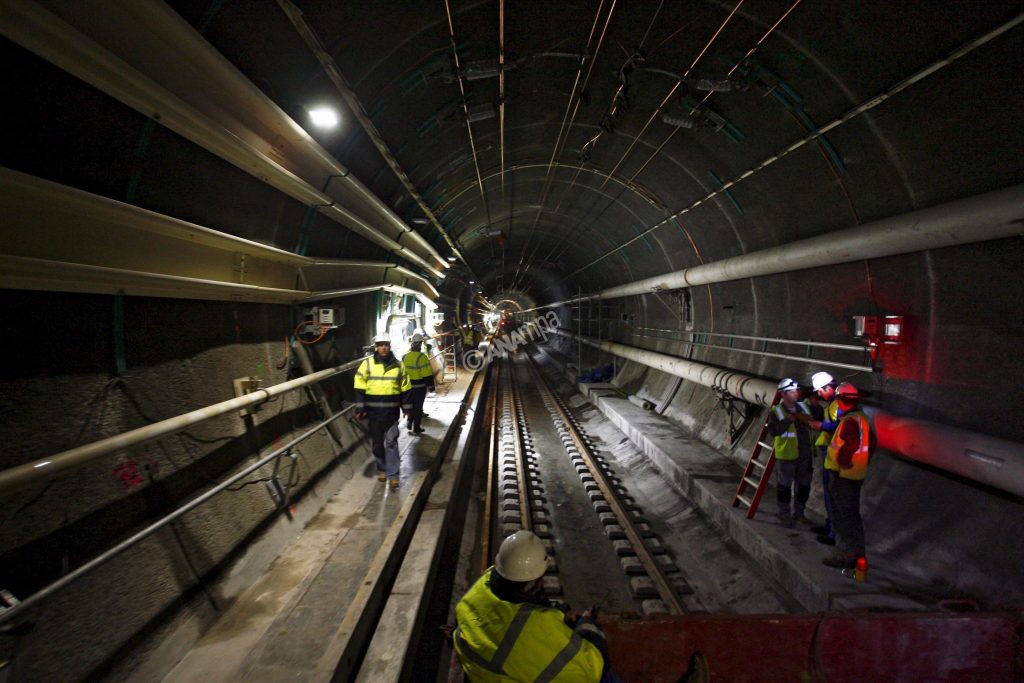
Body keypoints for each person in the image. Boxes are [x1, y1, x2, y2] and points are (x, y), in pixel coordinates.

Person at [454, 531, 611, 682]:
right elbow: (592, 671)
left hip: (481, 671)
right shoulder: (534, 629)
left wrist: (558, 615)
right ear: (536, 581)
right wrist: (587, 624)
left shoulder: (483, 586)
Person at [821, 383, 876, 569]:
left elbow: (850, 444)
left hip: (842, 477)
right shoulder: (863, 419)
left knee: (842, 516)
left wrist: (843, 462)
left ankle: (844, 555)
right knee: (852, 516)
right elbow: (872, 443)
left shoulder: (850, 421)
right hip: (855, 475)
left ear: (842, 400)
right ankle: (858, 552)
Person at [353, 333, 411, 489]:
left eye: (386, 344)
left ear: (390, 346)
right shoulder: (367, 365)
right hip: (374, 413)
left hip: (391, 413)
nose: (383, 347)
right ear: (376, 347)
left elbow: (405, 388)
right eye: (380, 344)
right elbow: (359, 386)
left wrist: (407, 407)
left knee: (391, 442)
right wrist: (360, 406)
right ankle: (381, 469)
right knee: (378, 444)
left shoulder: (399, 365)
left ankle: (393, 475)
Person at [766, 378, 815, 527]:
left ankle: (799, 513)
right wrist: (788, 421)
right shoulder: (776, 411)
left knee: (804, 486)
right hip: (787, 456)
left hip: (805, 454)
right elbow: (773, 432)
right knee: (784, 486)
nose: (796, 394)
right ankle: (785, 515)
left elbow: (814, 420)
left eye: (796, 391)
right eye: (792, 391)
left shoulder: (803, 407)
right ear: (783, 394)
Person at [805, 371, 839, 546]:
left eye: (820, 391)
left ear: (828, 388)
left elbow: (841, 425)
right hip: (829, 454)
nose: (819, 394)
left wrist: (821, 425)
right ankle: (830, 525)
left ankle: (834, 533)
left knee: (833, 494)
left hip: (836, 456)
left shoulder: (840, 404)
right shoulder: (832, 404)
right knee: (828, 493)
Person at [402, 333, 434, 435]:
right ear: (420, 344)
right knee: (418, 408)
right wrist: (431, 387)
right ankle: (416, 428)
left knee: (410, 405)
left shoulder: (404, 357)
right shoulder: (422, 357)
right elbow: (427, 374)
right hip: (419, 387)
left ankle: (409, 421)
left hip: (407, 387)